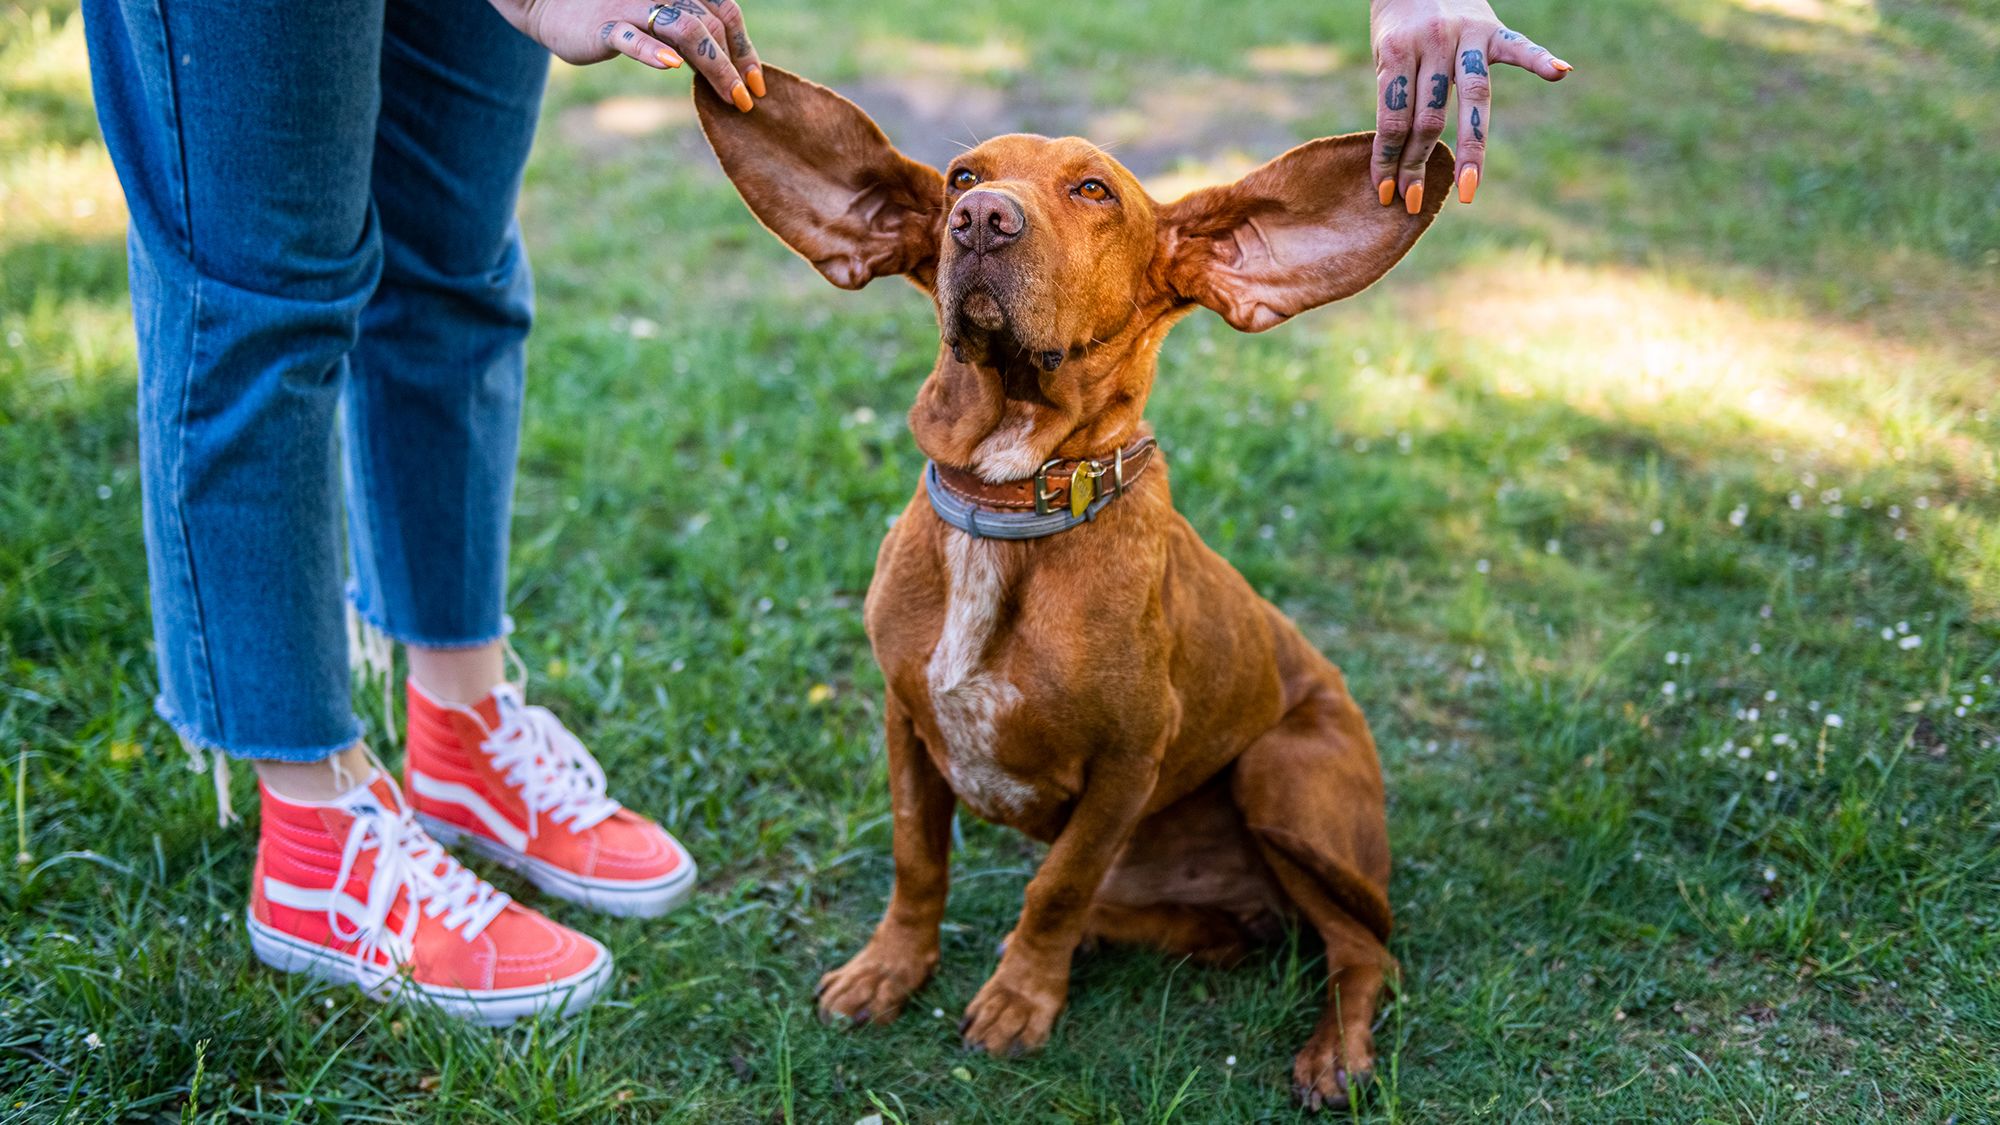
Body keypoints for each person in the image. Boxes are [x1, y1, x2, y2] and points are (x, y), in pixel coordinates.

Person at [79, 0, 1563, 1025]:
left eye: (1079, 201)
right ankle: (315, 822)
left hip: (1178, 747)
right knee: (266, 294)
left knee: (456, 273)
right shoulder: (910, 499)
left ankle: (460, 734)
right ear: (892, 231)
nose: (990, 213)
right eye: (968, 193)